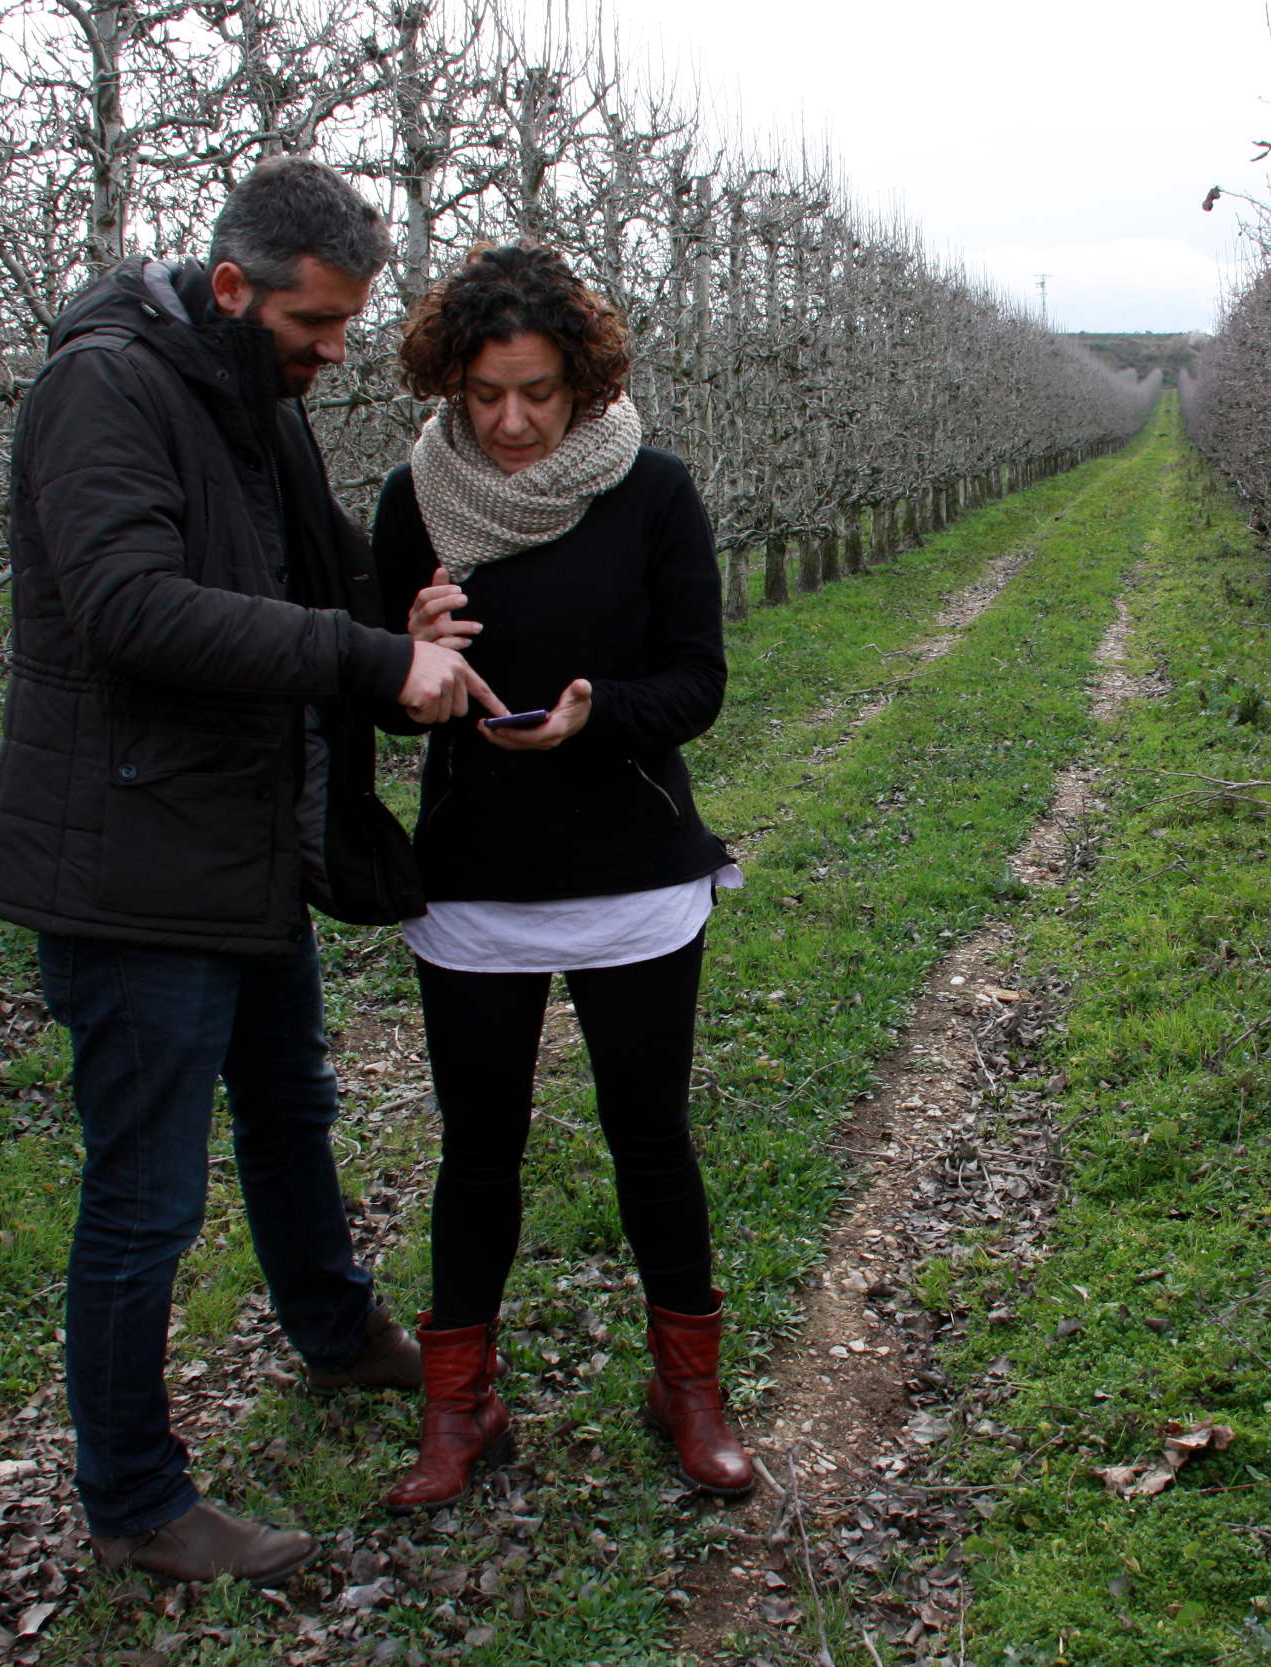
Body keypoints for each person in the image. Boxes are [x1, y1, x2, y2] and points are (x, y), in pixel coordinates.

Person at [0, 157, 495, 1583]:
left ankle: (334, 1334)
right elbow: (134, 608)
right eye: (317, 325)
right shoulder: (105, 390)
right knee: (146, 1193)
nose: (335, 353)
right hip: (129, 859)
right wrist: (367, 657)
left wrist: (404, 614)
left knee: (289, 1100)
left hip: (235, 838)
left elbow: (315, 577)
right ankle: (138, 1499)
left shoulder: (248, 400)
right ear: (229, 288)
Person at [368, 243, 754, 1511]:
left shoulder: (650, 493)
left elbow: (696, 681)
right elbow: (388, 704)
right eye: (485, 394)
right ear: (451, 385)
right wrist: (407, 660)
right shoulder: (409, 507)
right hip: (474, 879)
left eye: (537, 390)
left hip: (631, 873)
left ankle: (685, 1388)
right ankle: (457, 1403)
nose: (514, 420)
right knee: (479, 1148)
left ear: (582, 382)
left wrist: (599, 718)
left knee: (650, 1135)